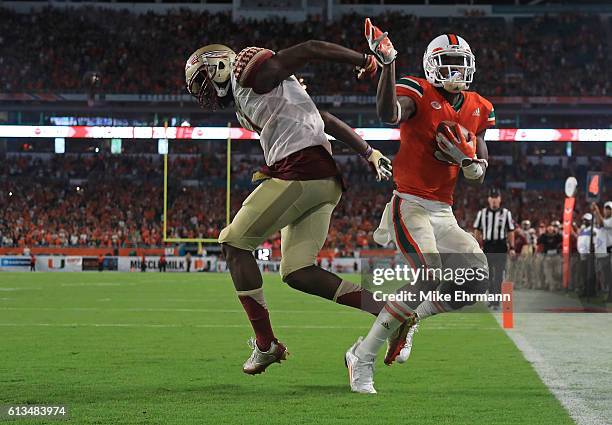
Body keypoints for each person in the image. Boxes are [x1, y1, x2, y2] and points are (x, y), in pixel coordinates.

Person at [185, 40, 392, 375]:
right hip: (325, 182)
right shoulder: (248, 97)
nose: (204, 92)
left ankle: (265, 345)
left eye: (203, 80)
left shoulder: (249, 72)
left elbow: (308, 48)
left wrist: (364, 60)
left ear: (220, 65)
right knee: (297, 272)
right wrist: (368, 152)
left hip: (301, 170)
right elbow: (320, 117)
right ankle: (387, 310)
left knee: (233, 241)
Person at [345, 20, 494, 393]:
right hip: (409, 202)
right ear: (432, 65)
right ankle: (362, 357)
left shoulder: (479, 106)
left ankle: (413, 318)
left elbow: (480, 155)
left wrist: (474, 164)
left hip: (444, 211)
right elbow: (388, 113)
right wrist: (389, 62)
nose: (456, 70)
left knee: (477, 280)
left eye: (461, 63)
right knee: (429, 273)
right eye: (448, 63)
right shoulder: (418, 90)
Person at [473, 188, 515, 309]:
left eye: (496, 198)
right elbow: (477, 230)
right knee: (488, 275)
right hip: (488, 246)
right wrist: (477, 245)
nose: (494, 201)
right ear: (489, 199)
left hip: (501, 246)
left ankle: (496, 301)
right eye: (492, 198)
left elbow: (511, 231)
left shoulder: (506, 213)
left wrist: (512, 247)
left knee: (499, 276)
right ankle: (492, 299)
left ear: (500, 199)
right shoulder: (482, 213)